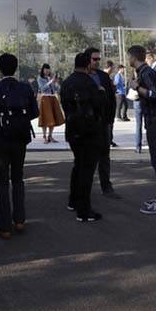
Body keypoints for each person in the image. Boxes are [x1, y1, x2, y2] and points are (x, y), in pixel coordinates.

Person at [0, 53, 39, 239]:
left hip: (1, 138)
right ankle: (20, 219)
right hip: (20, 138)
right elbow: (34, 112)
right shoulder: (24, 88)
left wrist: (3, 124)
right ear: (16, 68)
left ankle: (4, 226)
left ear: (0, 69)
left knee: (1, 181)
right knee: (18, 177)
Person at [62, 52, 106, 222]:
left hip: (72, 130)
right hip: (89, 131)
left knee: (78, 165)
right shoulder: (90, 83)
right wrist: (101, 93)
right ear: (87, 65)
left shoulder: (67, 83)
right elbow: (98, 105)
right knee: (87, 170)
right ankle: (83, 210)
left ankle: (73, 201)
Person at [128, 45, 156, 215]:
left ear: (133, 58)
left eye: (129, 57)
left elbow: (154, 94)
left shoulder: (146, 72)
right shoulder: (146, 72)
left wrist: (136, 87)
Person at [87, 49, 119, 198]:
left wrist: (110, 119)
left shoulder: (103, 77)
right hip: (87, 123)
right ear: (87, 59)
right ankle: (84, 189)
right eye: (94, 59)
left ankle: (106, 186)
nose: (97, 62)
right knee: (86, 157)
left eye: (99, 59)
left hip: (103, 122)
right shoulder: (81, 77)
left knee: (104, 156)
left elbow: (111, 99)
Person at [37, 64, 64, 143]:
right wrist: (50, 82)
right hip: (45, 98)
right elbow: (42, 88)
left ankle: (50, 136)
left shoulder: (51, 77)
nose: (47, 71)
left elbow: (56, 88)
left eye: (48, 69)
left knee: (54, 117)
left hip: (52, 97)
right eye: (45, 69)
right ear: (43, 70)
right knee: (45, 118)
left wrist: (56, 82)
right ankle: (44, 136)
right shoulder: (40, 78)